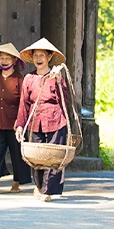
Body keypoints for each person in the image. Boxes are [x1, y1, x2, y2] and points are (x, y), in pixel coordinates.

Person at [14, 37, 72, 202]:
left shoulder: (56, 76)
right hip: (35, 121)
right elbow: (24, 104)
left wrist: (59, 80)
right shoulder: (28, 79)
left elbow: (64, 98)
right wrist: (19, 126)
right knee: (37, 157)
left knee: (53, 157)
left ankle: (48, 191)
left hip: (55, 120)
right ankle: (39, 187)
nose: (38, 58)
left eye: (42, 55)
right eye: (36, 55)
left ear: (49, 58)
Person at [0, 43, 32, 194]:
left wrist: (21, 121)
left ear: (14, 60)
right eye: (1, 58)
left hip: (15, 124)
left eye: (7, 58)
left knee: (17, 154)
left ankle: (16, 183)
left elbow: (24, 101)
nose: (4, 60)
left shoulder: (19, 79)